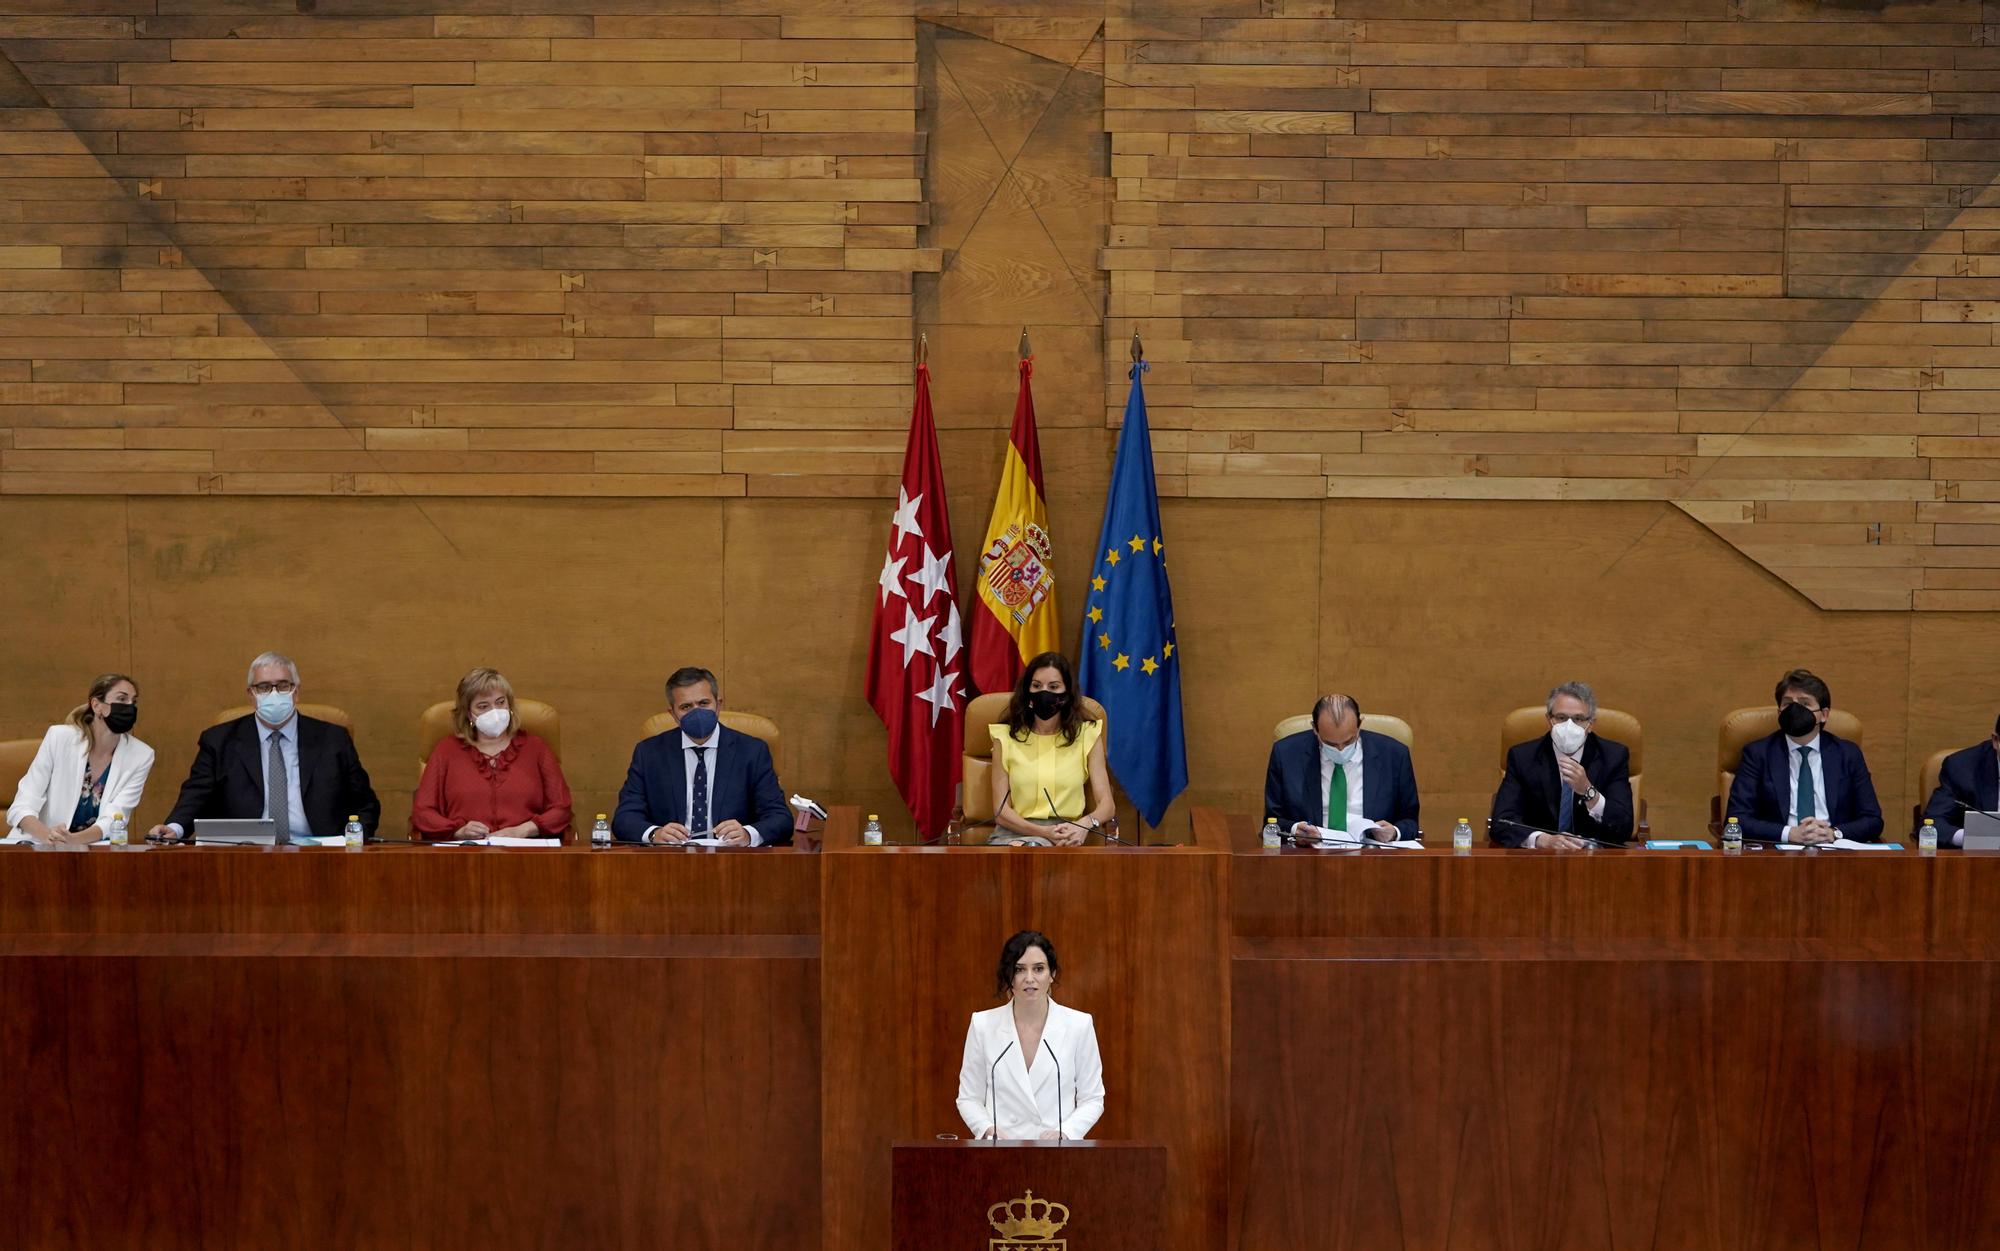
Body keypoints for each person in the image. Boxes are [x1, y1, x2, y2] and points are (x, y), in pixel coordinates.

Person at [147, 652, 380, 843]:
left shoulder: (333, 738)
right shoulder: (219, 741)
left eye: (283, 685)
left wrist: (357, 838)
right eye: (264, 687)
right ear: (251, 694)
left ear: (296, 692)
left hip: (319, 851)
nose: (274, 693)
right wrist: (175, 828)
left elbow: (365, 803)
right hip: (244, 853)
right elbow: (196, 794)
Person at [612, 666, 790, 845]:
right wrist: (654, 834)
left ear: (718, 705)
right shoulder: (649, 753)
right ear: (673, 714)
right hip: (670, 859)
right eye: (686, 707)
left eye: (704, 703)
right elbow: (624, 818)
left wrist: (748, 834)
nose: (696, 713)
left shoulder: (752, 751)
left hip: (732, 860)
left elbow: (780, 818)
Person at [955, 930, 1105, 1141]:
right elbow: (969, 1098)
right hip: (1001, 1153)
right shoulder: (983, 1025)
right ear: (1009, 976)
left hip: (1056, 1152)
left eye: (1038, 969)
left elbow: (1093, 1098)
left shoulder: (1078, 1025)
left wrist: (1066, 1132)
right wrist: (989, 1129)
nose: (1029, 978)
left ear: (1052, 974)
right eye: (1019, 969)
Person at [410, 667, 572, 840]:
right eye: (483, 706)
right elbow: (422, 812)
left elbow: (561, 808)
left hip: (525, 853)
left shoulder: (536, 748)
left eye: (500, 702)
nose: (494, 711)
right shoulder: (446, 751)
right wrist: (457, 830)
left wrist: (524, 830)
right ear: (468, 715)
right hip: (465, 854)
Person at [1726, 669, 1882, 845]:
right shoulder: (1758, 754)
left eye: (1804, 703)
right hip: (1778, 852)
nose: (1795, 710)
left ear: (1824, 715)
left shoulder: (1847, 754)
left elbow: (1872, 819)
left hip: (1835, 851)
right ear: (1779, 713)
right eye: (1787, 704)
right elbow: (1736, 819)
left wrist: (1834, 834)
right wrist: (1789, 833)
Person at [7, 673, 155, 845]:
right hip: (37, 845)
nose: (130, 706)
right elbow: (21, 806)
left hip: (90, 850)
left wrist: (72, 841)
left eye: (134, 701)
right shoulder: (59, 738)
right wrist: (48, 837)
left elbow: (114, 819)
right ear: (96, 705)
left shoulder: (141, 755)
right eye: (122, 699)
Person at [988, 652, 1115, 846]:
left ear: (1067, 692)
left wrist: (1084, 825)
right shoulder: (1005, 737)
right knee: (1024, 853)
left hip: (1067, 833)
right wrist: (1042, 833)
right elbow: (1001, 812)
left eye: (1053, 687)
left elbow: (1107, 805)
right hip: (1013, 833)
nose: (1044, 693)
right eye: (1036, 686)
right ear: (1027, 689)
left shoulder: (1087, 734)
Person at [1491, 681, 1635, 849]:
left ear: (1590, 724)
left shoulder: (1613, 757)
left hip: (1594, 860)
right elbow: (1502, 822)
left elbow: (1623, 827)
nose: (1569, 725)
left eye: (1578, 719)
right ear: (1549, 720)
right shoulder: (1523, 757)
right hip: (1538, 861)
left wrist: (1588, 791)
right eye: (1561, 717)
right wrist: (1541, 840)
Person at [1262, 693, 1419, 843]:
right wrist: (1295, 829)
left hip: (1373, 854)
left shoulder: (1394, 755)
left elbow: (1410, 820)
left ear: (1359, 725)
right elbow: (1272, 821)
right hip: (1310, 854)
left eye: (1348, 741)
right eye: (1330, 743)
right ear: (1315, 729)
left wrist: (1394, 832)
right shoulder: (1286, 754)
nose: (1340, 749)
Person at [1922, 714, 2000, 847]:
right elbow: (1934, 823)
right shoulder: (1962, 767)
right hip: (1980, 860)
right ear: (1996, 741)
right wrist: (1972, 838)